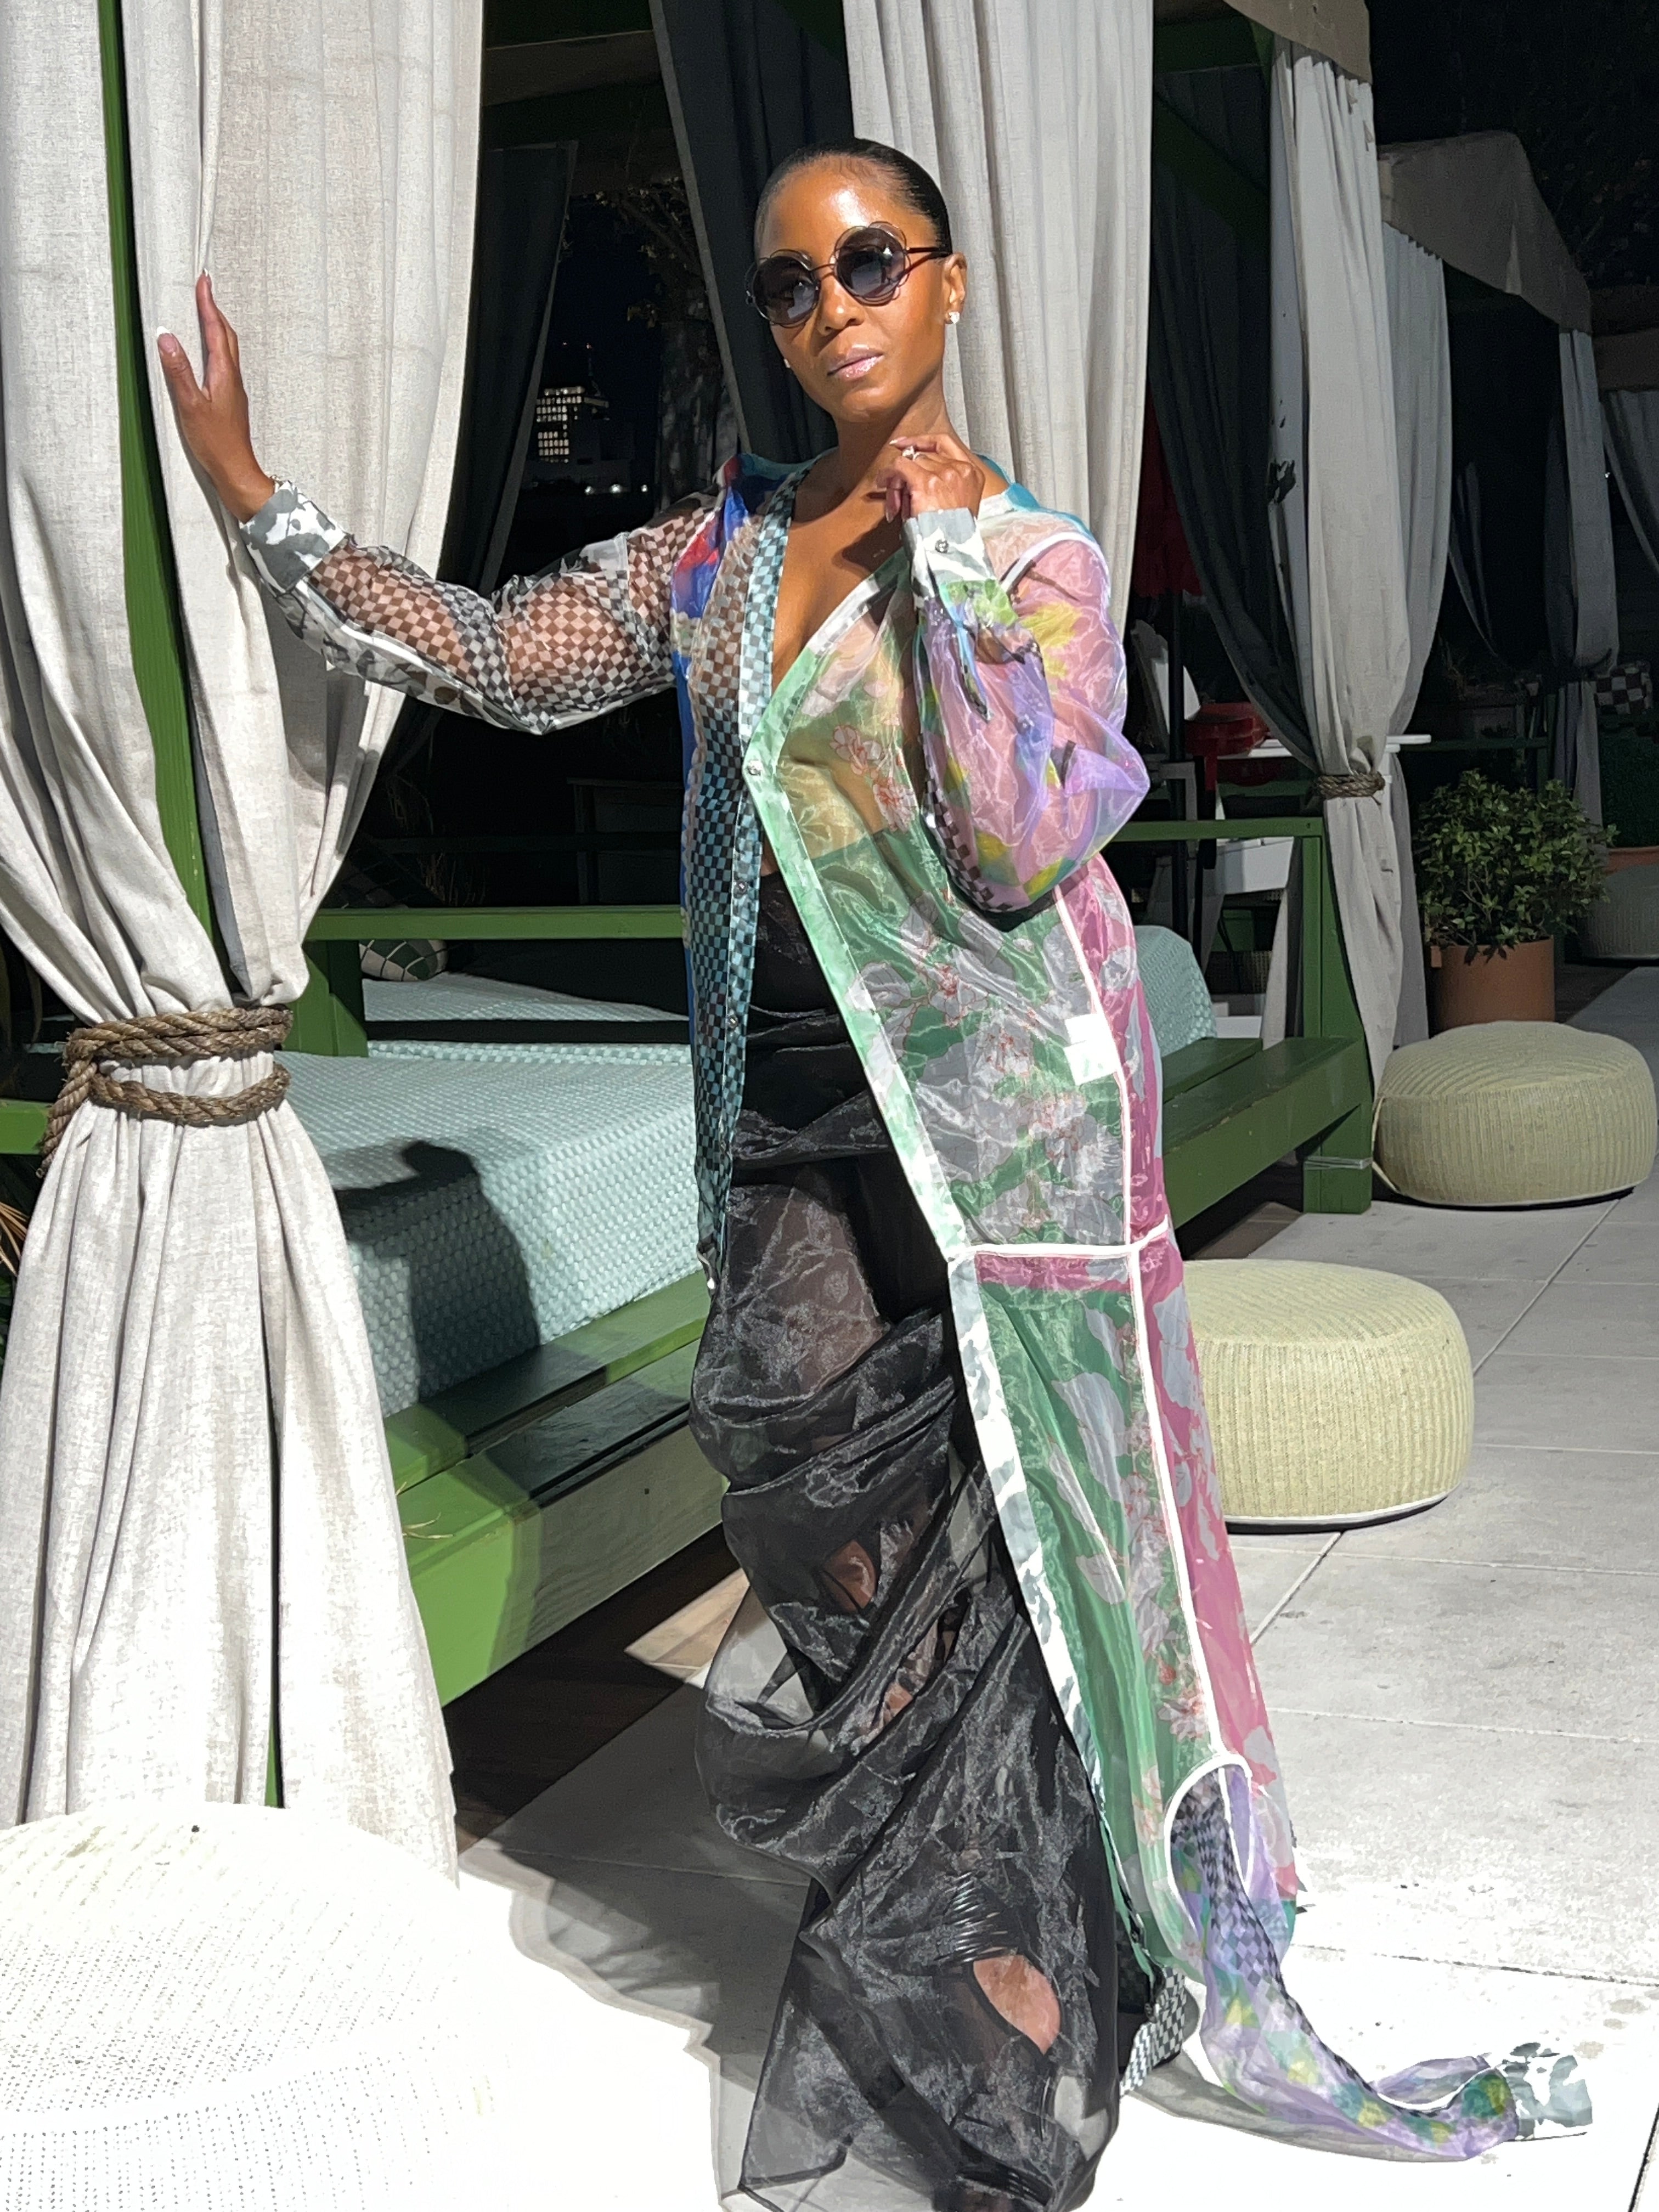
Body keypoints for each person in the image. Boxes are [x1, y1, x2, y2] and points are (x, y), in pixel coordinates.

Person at [161, 137, 1573, 2211]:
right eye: (790, 283)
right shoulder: (721, 552)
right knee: (810, 1486)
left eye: (869, 263)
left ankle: (1007, 1967)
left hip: (1015, 1134)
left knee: (1052, 1542)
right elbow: (504, 654)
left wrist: (951, 574)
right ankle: (949, 1898)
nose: (830, 308)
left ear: (949, 281)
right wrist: (261, 502)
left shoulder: (1038, 558)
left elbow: (1015, 839)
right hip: (793, 1107)